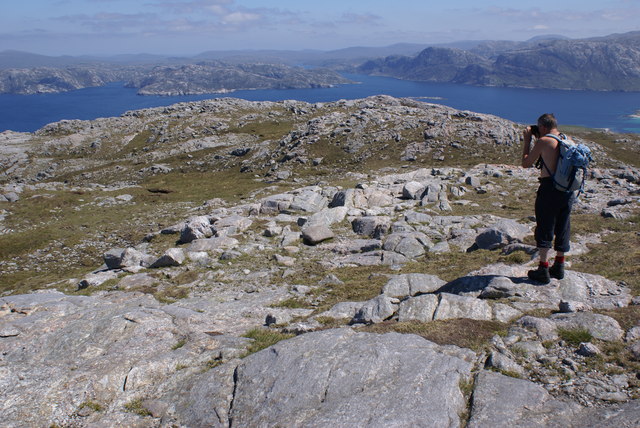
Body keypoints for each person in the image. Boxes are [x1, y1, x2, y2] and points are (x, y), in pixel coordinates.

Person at [521, 113, 575, 284]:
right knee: (563, 225)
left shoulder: (544, 141)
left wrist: (528, 140)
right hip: (567, 190)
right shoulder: (568, 139)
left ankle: (543, 268)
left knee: (545, 226)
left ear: (543, 127)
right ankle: (559, 266)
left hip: (549, 188)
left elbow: (526, 163)